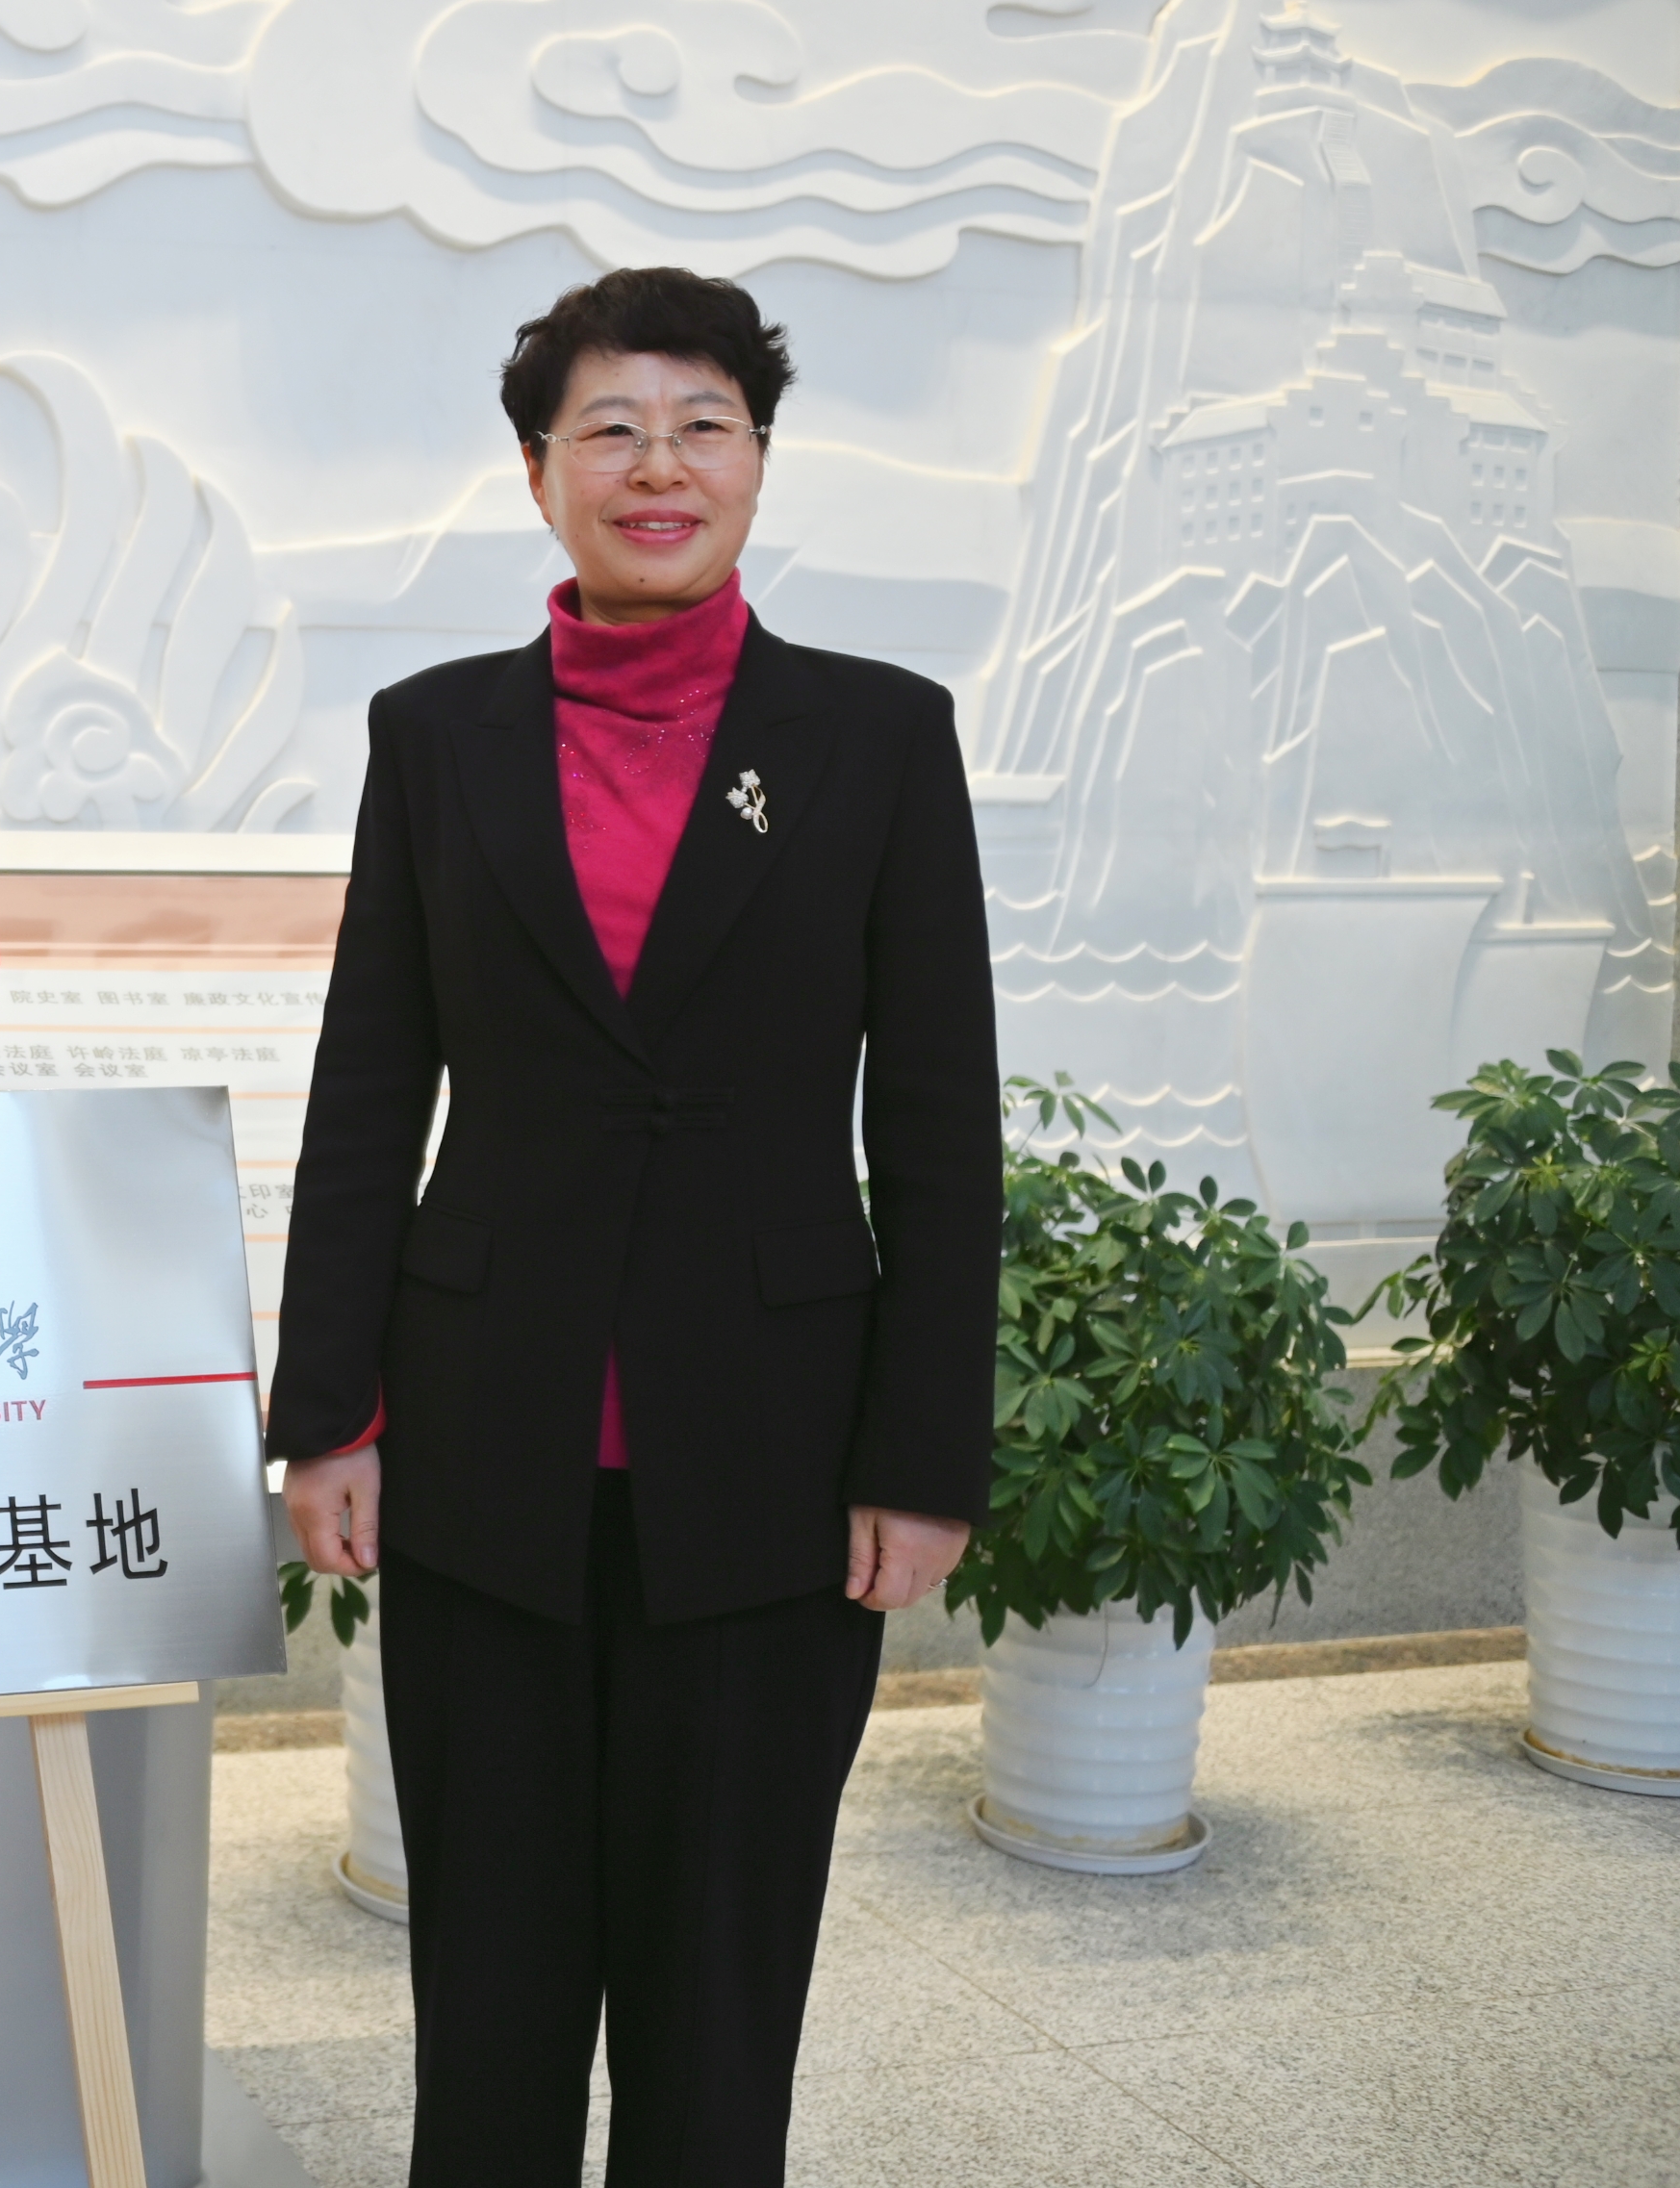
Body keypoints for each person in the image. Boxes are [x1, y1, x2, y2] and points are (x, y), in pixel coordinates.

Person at [266, 267, 996, 2185]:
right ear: (538, 473)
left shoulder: (876, 737)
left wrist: (923, 1454)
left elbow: (939, 1126)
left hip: (770, 1454)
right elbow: (369, 1083)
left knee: (716, 1993)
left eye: (700, 427)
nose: (656, 466)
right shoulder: (437, 736)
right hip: (481, 1444)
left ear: (756, 461)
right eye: (609, 429)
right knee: (490, 1989)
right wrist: (327, 1408)